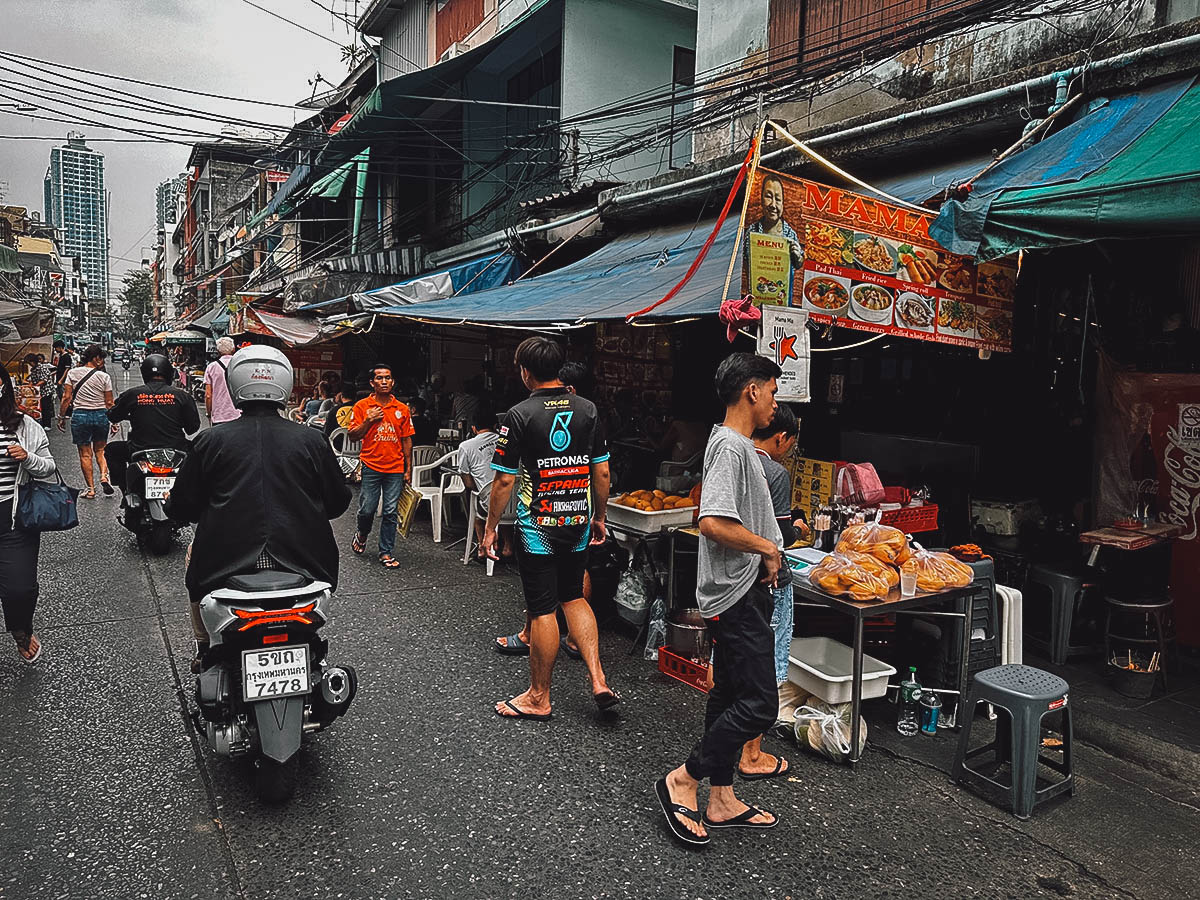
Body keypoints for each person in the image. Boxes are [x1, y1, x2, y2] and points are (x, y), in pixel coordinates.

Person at [654, 352, 783, 846]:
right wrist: (767, 547)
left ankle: (722, 798)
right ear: (752, 390)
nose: (774, 402)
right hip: (737, 593)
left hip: (738, 590)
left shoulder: (736, 445)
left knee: (729, 694)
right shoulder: (730, 447)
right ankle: (684, 778)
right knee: (759, 705)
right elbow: (711, 521)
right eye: (772, 390)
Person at [165, 345, 351, 670]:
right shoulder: (312, 440)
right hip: (305, 563)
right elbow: (337, 502)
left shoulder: (209, 441)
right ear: (285, 384)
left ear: (235, 385)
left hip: (224, 564)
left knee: (192, 561)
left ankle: (204, 645)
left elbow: (181, 506)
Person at [483, 337, 618, 719]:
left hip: (537, 525)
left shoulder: (518, 415)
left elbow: (504, 481)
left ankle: (538, 697)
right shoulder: (588, 410)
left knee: (543, 608)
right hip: (577, 520)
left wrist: (491, 528)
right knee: (573, 596)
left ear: (525, 371)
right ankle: (598, 679)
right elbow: (602, 470)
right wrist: (599, 516)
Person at [738, 403, 801, 781]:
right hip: (768, 579)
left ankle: (727, 733)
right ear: (781, 437)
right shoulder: (774, 472)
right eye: (789, 445)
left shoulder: (734, 460)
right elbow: (778, 536)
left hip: (736, 579)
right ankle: (752, 752)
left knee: (731, 659)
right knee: (768, 667)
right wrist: (797, 526)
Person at [0, 365, 57, 664]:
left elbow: (49, 466)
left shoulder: (22, 425)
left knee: (19, 588)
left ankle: (22, 630)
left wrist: (28, 457)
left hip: (14, 520)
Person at [348, 364, 414, 569]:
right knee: (367, 509)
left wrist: (408, 468)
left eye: (388, 378)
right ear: (372, 383)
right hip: (371, 465)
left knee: (390, 511)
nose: (384, 381)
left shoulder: (402, 409)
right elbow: (352, 435)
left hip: (395, 467)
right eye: (379, 378)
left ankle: (386, 552)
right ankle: (362, 533)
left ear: (393, 382)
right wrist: (368, 420)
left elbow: (406, 440)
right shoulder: (361, 407)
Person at [105, 354, 200, 497]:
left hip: (139, 450)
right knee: (201, 454)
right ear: (169, 373)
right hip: (176, 450)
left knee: (111, 449)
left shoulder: (132, 394)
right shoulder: (182, 396)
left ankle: (125, 489)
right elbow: (192, 428)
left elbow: (113, 415)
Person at [58, 343, 114, 500]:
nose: (102, 362)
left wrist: (61, 417)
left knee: (85, 454)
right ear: (96, 358)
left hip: (80, 416)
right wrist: (114, 422)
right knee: (101, 450)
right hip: (101, 415)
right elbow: (109, 402)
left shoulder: (73, 373)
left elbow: (66, 397)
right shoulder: (104, 376)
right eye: (101, 358)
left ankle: (90, 489)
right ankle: (104, 475)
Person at [457, 406, 505, 561]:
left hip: (489, 501)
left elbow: (468, 482)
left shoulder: (466, 446)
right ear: (496, 426)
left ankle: (481, 547)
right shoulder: (508, 442)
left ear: (473, 428)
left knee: (478, 513)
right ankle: (509, 547)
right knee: (507, 502)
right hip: (515, 501)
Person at [203, 336, 241, 425]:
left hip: (219, 415)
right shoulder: (240, 365)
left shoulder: (211, 367)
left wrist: (209, 413)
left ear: (218, 351)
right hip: (238, 415)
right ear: (233, 349)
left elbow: (208, 395)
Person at [28, 354, 57, 429]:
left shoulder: (42, 368)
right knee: (39, 408)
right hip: (39, 391)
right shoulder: (34, 369)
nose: (29, 364)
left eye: (30, 362)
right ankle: (41, 423)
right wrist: (30, 385)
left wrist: (35, 386)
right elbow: (32, 379)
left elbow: (43, 380)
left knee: (45, 407)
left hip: (46, 391)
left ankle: (47, 425)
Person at [53, 340, 73, 405]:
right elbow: (60, 368)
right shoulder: (61, 356)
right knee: (60, 396)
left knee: (64, 397)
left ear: (59, 347)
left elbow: (67, 369)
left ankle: (66, 412)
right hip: (59, 379)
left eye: (56, 348)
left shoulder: (67, 356)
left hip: (64, 381)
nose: (55, 350)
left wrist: (61, 380)